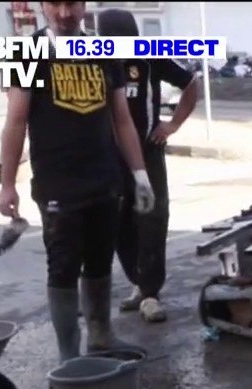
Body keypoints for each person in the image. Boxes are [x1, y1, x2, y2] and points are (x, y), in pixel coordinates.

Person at [0, 1, 155, 362]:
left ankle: (101, 338)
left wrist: (140, 174)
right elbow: (16, 121)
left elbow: (123, 121)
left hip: (104, 179)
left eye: (73, 4)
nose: (65, 13)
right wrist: (8, 183)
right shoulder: (26, 54)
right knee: (64, 266)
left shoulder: (102, 52)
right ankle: (70, 358)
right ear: (43, 6)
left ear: (84, 5)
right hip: (58, 184)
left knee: (100, 261)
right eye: (56, 4)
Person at [97, 8, 200, 324]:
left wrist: (172, 125)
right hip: (109, 157)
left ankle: (151, 293)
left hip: (148, 151)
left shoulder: (150, 57)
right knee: (118, 224)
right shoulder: (94, 60)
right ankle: (138, 285)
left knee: (152, 221)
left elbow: (192, 83)